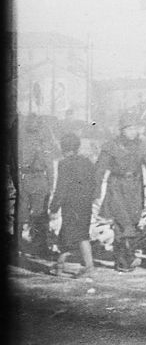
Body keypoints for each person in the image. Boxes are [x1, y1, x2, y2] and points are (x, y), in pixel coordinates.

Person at [94, 112, 146, 273]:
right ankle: (122, 259)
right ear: (122, 130)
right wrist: (96, 189)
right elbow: (99, 169)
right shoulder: (110, 146)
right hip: (117, 186)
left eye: (135, 128)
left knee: (133, 219)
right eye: (129, 129)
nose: (133, 132)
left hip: (135, 186)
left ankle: (128, 254)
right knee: (122, 221)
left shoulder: (141, 145)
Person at [49, 133, 97, 278]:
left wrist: (54, 207)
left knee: (67, 235)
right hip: (85, 203)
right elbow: (93, 183)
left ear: (63, 148)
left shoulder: (64, 163)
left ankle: (62, 265)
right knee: (82, 234)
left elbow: (61, 188)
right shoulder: (87, 162)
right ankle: (86, 266)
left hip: (71, 204)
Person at [17, 115, 57, 257]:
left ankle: (22, 244)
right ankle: (38, 246)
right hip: (35, 179)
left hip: (27, 178)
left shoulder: (21, 141)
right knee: (37, 214)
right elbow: (49, 165)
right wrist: (51, 185)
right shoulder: (42, 142)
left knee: (24, 213)